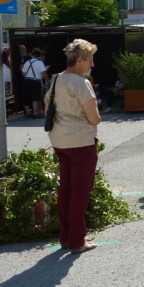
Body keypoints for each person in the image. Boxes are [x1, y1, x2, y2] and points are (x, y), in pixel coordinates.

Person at [45, 39, 101, 254]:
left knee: (66, 190)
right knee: (80, 192)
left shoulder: (57, 79)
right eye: (90, 60)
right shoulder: (81, 83)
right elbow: (94, 119)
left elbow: (47, 106)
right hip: (81, 142)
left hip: (60, 141)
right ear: (79, 60)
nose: (92, 65)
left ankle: (66, 237)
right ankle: (78, 241)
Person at [21, 48, 50, 118]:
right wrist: (49, 81)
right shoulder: (40, 63)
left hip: (26, 81)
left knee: (26, 96)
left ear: (32, 55)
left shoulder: (27, 62)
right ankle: (35, 113)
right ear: (39, 56)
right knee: (35, 97)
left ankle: (27, 112)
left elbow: (23, 74)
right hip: (35, 81)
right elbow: (44, 73)